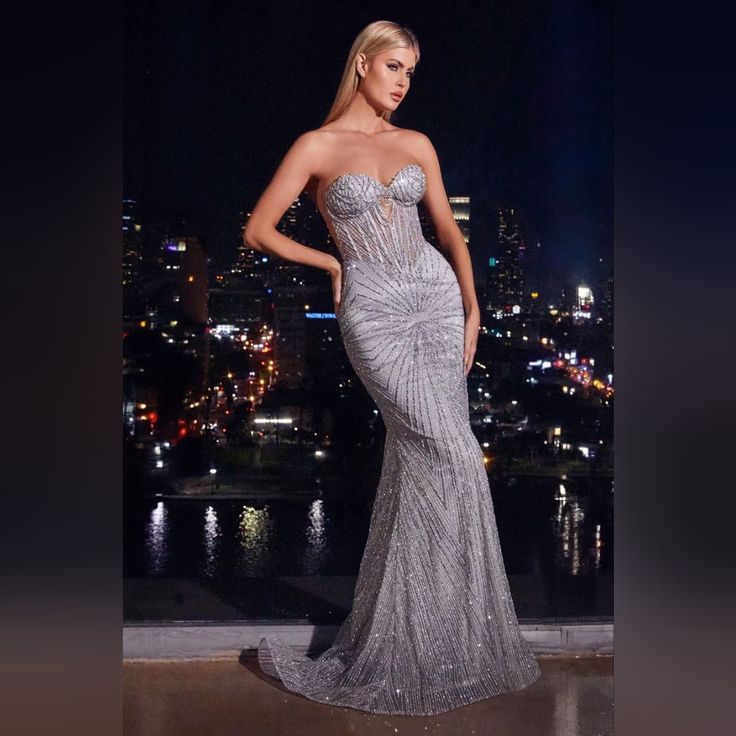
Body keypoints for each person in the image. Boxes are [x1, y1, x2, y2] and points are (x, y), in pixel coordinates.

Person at [243, 19, 541, 716]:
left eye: (412, 70)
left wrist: (470, 309)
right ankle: (411, 640)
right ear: (362, 65)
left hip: (435, 303)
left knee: (422, 463)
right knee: (452, 452)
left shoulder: (417, 145)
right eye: (395, 66)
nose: (404, 81)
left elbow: (449, 231)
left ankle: (433, 642)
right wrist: (331, 263)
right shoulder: (316, 147)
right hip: (373, 309)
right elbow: (259, 229)